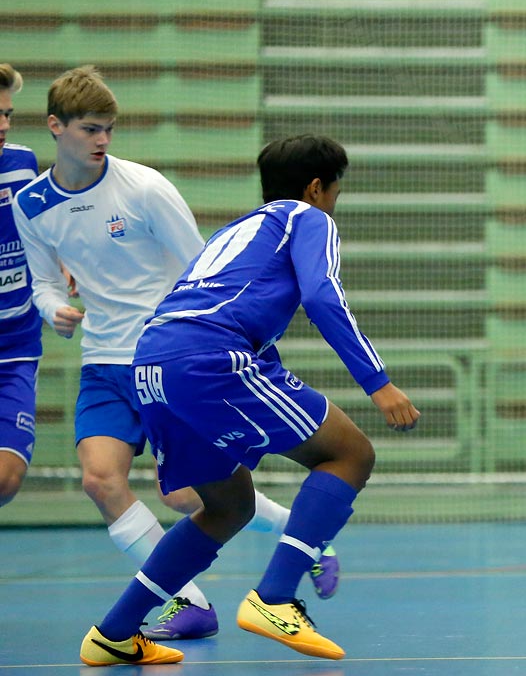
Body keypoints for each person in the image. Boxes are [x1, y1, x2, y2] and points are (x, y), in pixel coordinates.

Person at [13, 66, 331, 645]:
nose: (102, 139)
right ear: (56, 127)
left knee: (188, 495)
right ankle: (190, 603)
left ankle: (305, 537)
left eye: (109, 128)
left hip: (163, 364)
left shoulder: (144, 188)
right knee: (100, 481)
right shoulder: (31, 204)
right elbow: (43, 281)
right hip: (103, 363)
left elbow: (202, 268)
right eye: (89, 129)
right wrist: (50, 306)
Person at [76, 134, 420, 666]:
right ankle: (276, 597)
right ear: (315, 188)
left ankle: (114, 633)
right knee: (351, 453)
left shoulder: (235, 230)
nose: (334, 202)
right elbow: (323, 295)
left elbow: (231, 308)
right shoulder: (308, 219)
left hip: (150, 360)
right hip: (207, 359)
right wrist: (379, 383)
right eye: (335, 190)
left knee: (227, 506)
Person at [0, 64, 41, 510]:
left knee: (6, 479)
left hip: (15, 346)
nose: (4, 125)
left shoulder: (22, 164)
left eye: (8, 114)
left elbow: (42, 228)